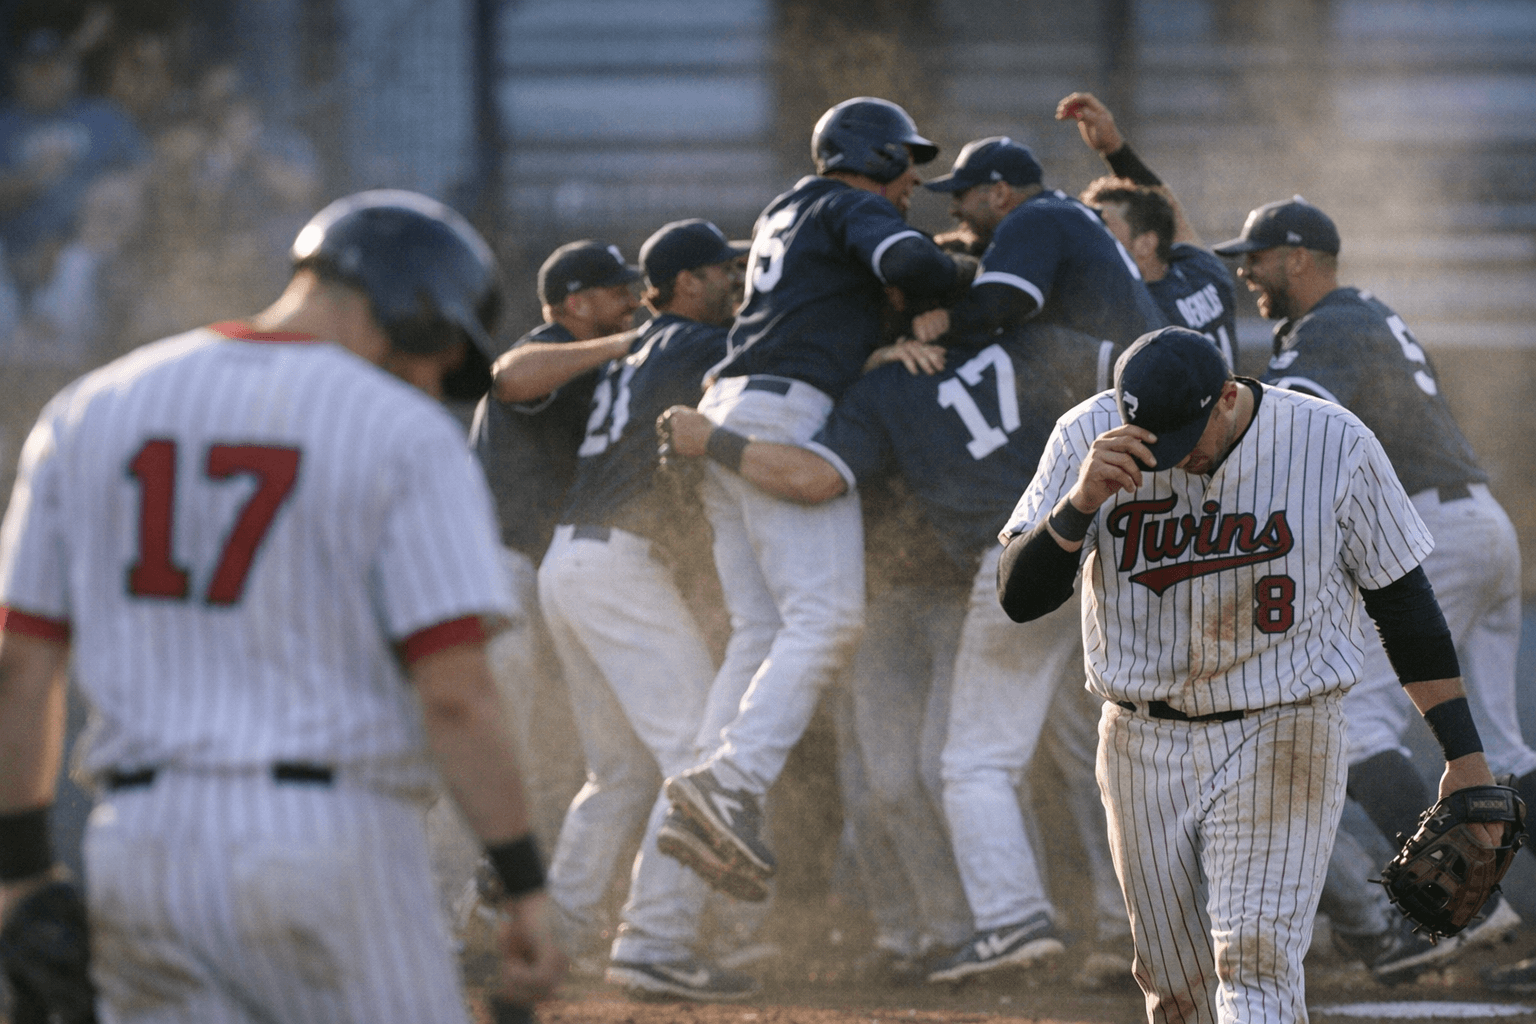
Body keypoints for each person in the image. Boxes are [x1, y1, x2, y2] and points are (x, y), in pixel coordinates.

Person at [0, 190, 563, 1021]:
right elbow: (454, 694)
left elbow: (21, 667)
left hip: (141, 848)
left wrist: (19, 870)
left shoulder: (91, 407)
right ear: (411, 309)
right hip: (335, 846)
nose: (431, 379)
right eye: (436, 354)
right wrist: (521, 881)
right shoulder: (403, 433)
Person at [995, 324, 1500, 1023]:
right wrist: (1077, 507)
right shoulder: (1090, 435)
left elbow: (1403, 605)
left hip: (1283, 727)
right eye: (1154, 437)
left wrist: (1463, 755)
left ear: (1228, 397)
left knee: (1255, 960)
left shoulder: (1331, 441)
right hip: (1141, 740)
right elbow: (1019, 597)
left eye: (1185, 435)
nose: (1172, 454)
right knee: (1175, 987)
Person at [659, 320, 1126, 984]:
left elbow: (816, 478)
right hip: (1091, 549)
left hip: (1008, 569)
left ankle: (1014, 921)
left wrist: (716, 439)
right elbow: (1130, 365)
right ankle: (1108, 928)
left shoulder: (884, 385)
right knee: (1115, 752)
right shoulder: (1019, 336)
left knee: (973, 765)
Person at [1214, 196, 1533, 982]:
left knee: (1355, 717)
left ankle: (1474, 908)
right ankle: (1501, 913)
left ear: (1297, 258)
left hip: (1435, 529)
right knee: (1502, 749)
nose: (1245, 272)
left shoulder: (1331, 328)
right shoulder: (1362, 316)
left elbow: (1283, 425)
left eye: (1254, 257)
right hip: (1476, 520)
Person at [658, 96, 969, 894]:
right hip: (778, 414)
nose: (911, 182)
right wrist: (966, 275)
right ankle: (729, 783)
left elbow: (818, 321)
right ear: (868, 159)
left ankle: (700, 794)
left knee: (761, 630)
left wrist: (878, 344)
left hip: (734, 402)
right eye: (905, 163)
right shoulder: (842, 200)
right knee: (826, 619)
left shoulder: (786, 209)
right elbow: (907, 264)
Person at [517, 218, 763, 1000]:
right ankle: (654, 942)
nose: (735, 280)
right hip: (616, 565)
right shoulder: (691, 343)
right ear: (687, 283)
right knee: (697, 756)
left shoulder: (652, 344)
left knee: (620, 769)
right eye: (724, 270)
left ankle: (558, 930)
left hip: (576, 561)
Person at [466, 239, 640, 862]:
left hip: (547, 581)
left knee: (553, 756)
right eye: (619, 292)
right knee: (493, 752)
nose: (634, 302)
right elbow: (506, 375)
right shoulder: (555, 348)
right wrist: (620, 345)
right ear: (576, 301)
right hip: (498, 570)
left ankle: (500, 907)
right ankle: (447, 918)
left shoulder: (592, 360)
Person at [911, 135, 1165, 350]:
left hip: (1126, 379)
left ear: (1000, 193)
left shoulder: (1032, 216)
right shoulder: (1061, 208)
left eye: (960, 195)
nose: (954, 209)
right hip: (1139, 364)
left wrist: (945, 321)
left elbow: (999, 303)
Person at [1059, 92, 1239, 369]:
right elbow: (1171, 213)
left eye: (1104, 226)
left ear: (1145, 244)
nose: (1091, 234)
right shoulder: (1203, 273)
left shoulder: (1138, 314)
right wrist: (1114, 149)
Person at [0, 26, 145, 301]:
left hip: (88, 251)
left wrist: (75, 240)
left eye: (55, 66)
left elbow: (139, 180)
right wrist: (29, 180)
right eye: (37, 68)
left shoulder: (104, 117)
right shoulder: (5, 125)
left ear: (72, 70)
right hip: (12, 256)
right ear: (18, 72)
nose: (47, 77)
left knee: (78, 264)